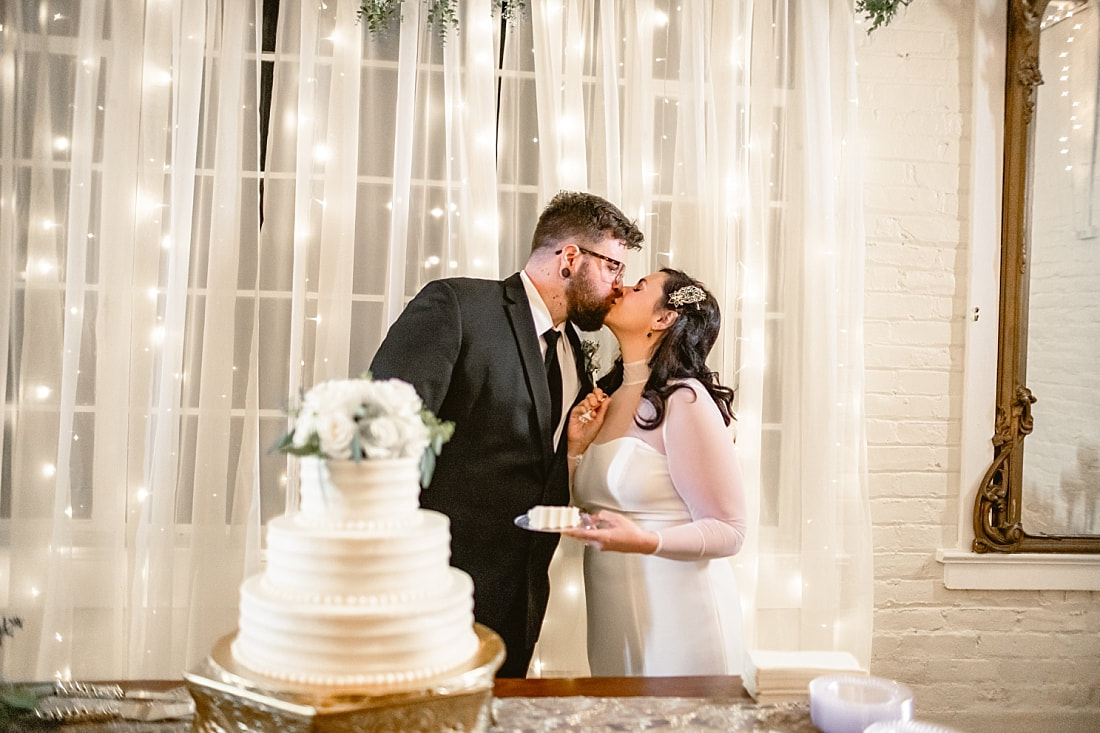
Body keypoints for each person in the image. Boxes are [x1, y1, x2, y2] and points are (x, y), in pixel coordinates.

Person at [369, 191, 645, 677]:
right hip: (434, 585)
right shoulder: (459, 306)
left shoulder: (575, 352)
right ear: (571, 258)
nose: (617, 287)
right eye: (613, 268)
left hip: (521, 592)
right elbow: (383, 436)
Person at [561, 268, 748, 676]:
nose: (622, 287)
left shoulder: (686, 398)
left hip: (679, 616)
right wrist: (576, 448)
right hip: (613, 614)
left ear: (664, 318)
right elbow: (594, 509)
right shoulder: (608, 395)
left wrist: (646, 540)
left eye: (639, 287)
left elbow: (730, 529)